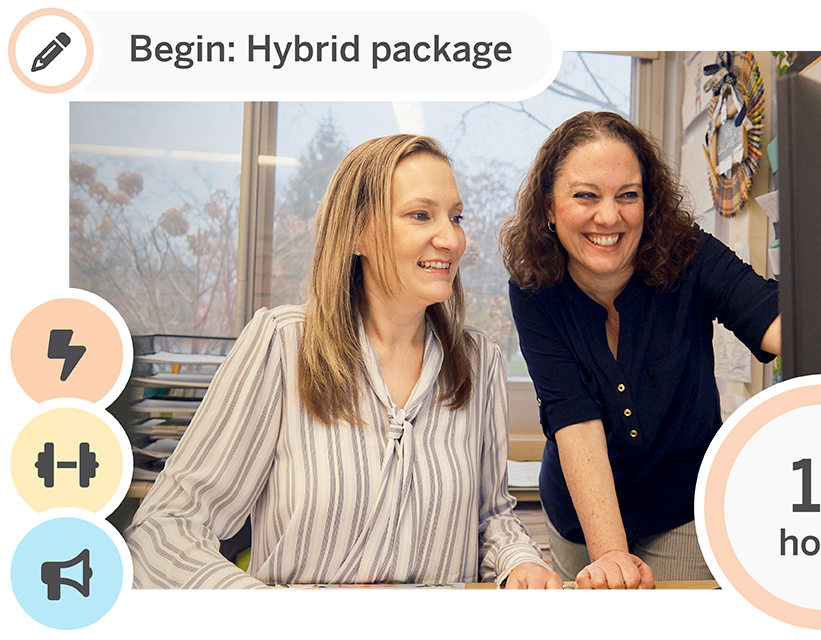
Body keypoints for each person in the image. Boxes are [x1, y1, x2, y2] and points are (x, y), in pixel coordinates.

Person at [126, 134, 562, 597]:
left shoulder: (480, 361)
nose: (451, 238)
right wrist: (255, 602)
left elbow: (490, 517)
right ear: (358, 232)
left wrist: (520, 560)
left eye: (455, 217)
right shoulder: (282, 344)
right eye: (421, 215)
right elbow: (164, 529)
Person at [499, 111, 780, 595]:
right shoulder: (534, 286)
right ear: (549, 205)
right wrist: (609, 555)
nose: (609, 217)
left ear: (648, 203)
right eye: (586, 195)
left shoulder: (689, 254)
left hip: (682, 506)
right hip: (579, 510)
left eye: (627, 195)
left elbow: (775, 321)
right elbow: (574, 419)